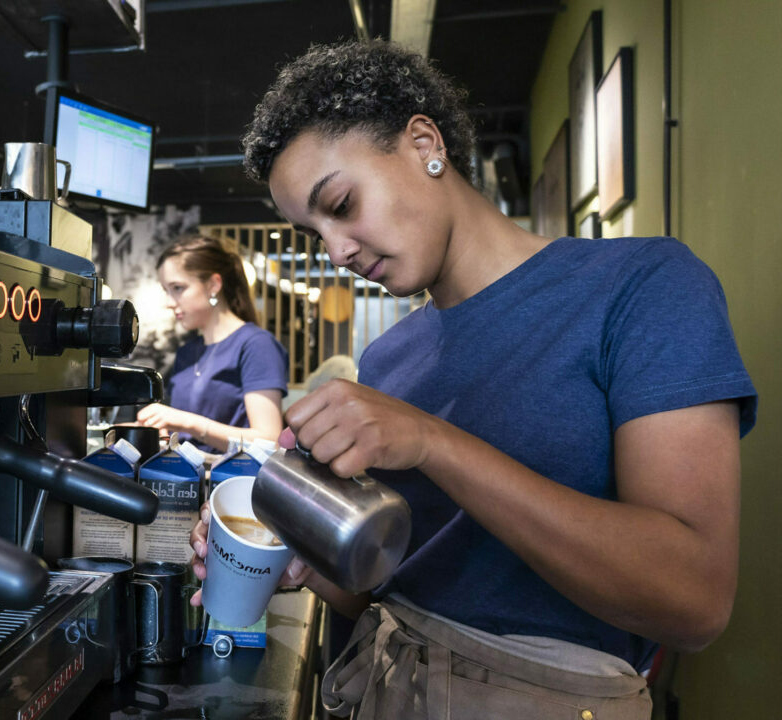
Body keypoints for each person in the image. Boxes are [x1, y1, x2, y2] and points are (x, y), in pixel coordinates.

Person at [188, 39, 756, 719]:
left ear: (424, 142)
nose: (337, 250)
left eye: (339, 203)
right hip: (383, 689)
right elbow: (403, 588)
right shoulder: (390, 360)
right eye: (314, 234)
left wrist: (433, 441)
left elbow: (693, 604)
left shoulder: (642, 287)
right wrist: (307, 566)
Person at [136, 235, 287, 452]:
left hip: (228, 481)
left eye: (178, 288)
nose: (169, 303)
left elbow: (268, 440)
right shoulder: (187, 352)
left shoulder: (256, 345)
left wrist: (189, 423)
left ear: (214, 285)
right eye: (166, 291)